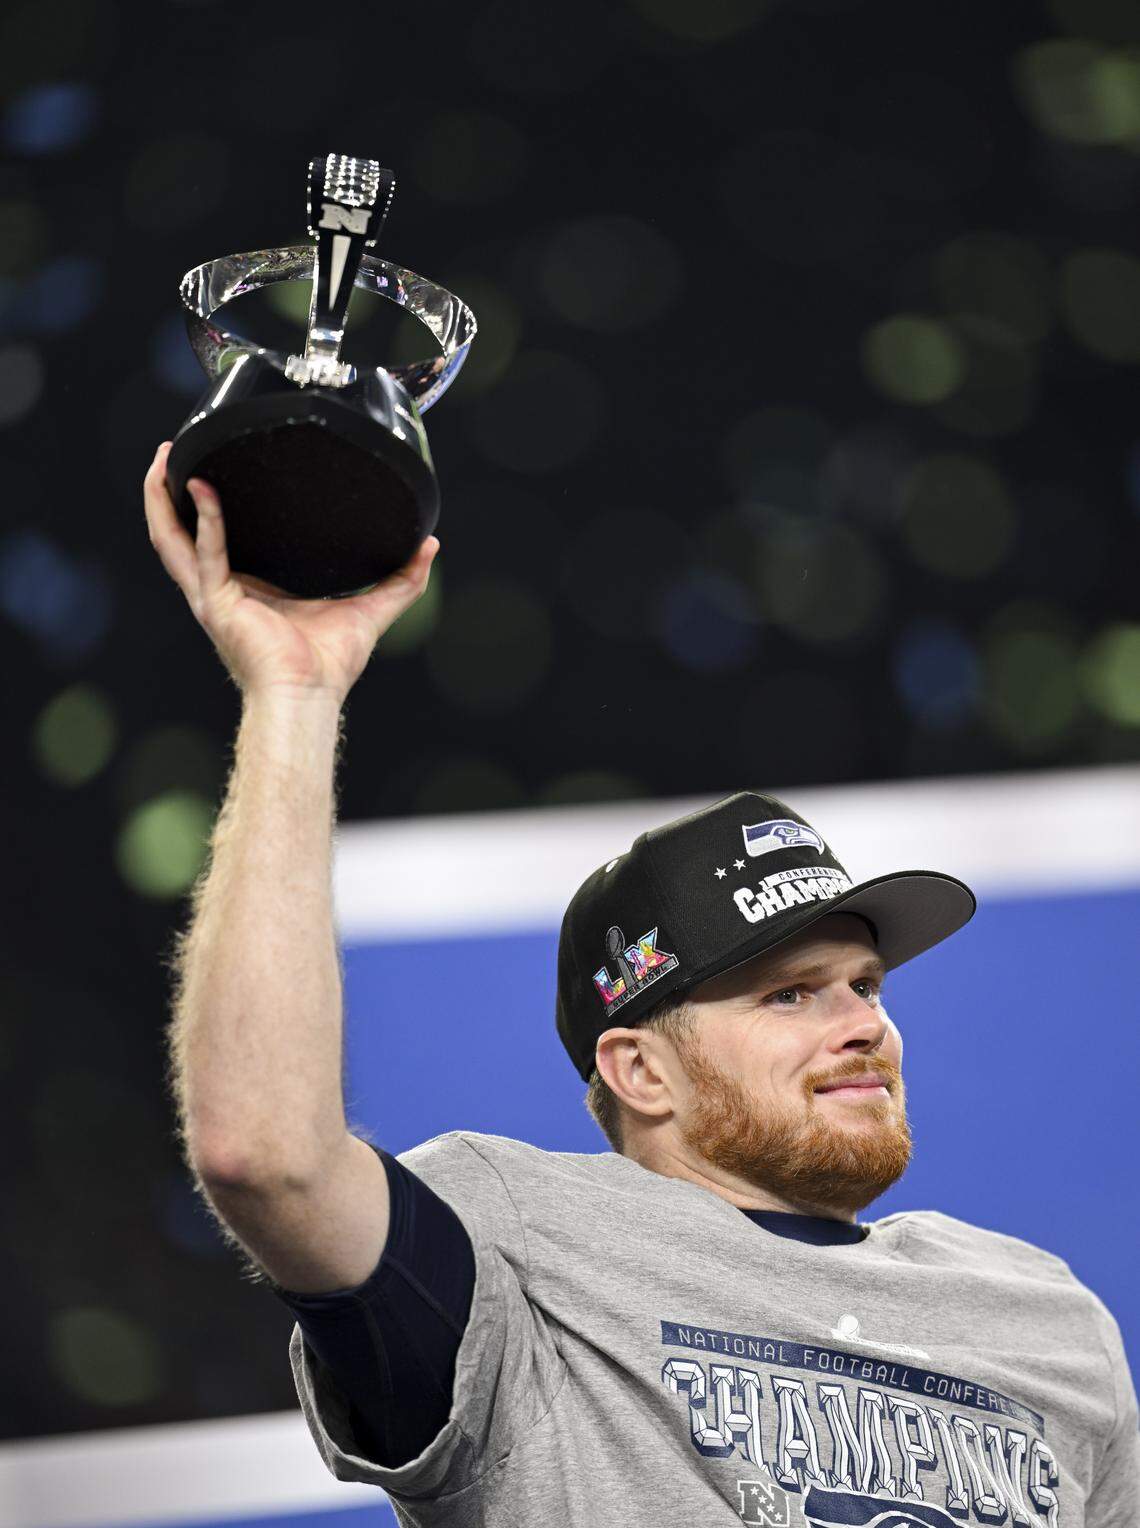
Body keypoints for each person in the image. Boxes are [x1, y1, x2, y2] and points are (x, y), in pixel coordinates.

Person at [145, 444, 1138, 1528]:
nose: (865, 1025)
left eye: (867, 984)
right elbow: (268, 1156)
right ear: (640, 1071)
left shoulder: (1049, 1322)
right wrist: (292, 695)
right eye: (790, 994)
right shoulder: (518, 1258)